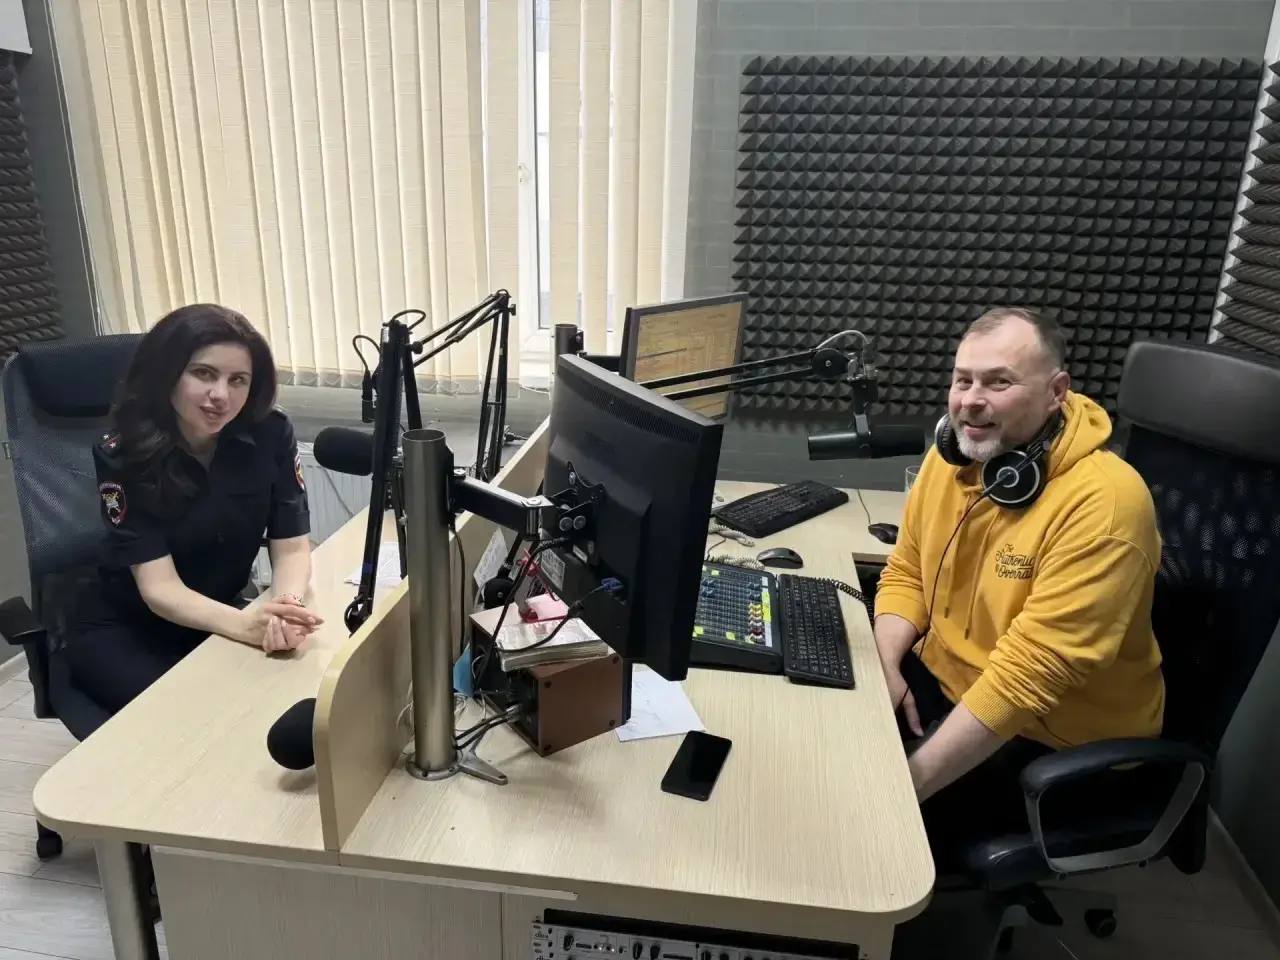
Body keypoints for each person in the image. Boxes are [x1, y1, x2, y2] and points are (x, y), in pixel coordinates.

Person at [874, 306, 1165, 860]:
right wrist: (886, 666)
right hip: (950, 686)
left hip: (1049, 745)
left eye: (998, 382)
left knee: (858, 827)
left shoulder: (1106, 505)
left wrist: (903, 790)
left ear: (1056, 392)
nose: (970, 401)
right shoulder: (956, 455)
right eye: (962, 380)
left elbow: (1025, 681)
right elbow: (908, 570)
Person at [67, 304, 324, 715]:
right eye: (204, 374)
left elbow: (292, 546)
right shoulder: (123, 453)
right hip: (130, 631)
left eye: (237, 380)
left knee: (278, 699)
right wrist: (247, 625)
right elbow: (160, 590)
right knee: (195, 719)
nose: (221, 395)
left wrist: (285, 608)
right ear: (167, 374)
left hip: (218, 614)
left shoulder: (270, 433)